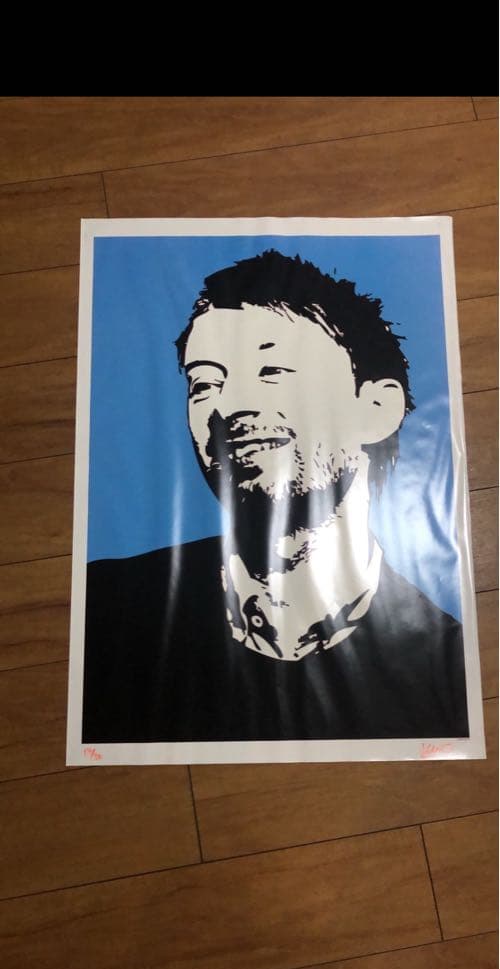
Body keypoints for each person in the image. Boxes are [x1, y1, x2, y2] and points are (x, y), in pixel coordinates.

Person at [83, 250, 468, 743]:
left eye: (273, 370)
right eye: (205, 383)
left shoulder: (442, 673)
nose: (230, 406)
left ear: (376, 408)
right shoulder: (107, 609)